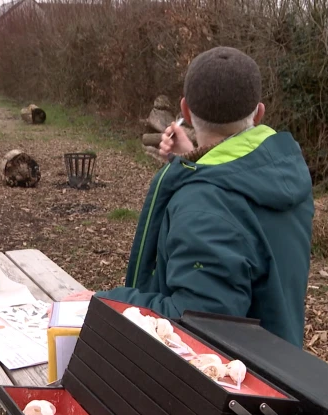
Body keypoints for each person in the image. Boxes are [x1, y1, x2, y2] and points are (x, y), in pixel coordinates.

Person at [63, 46, 314, 347]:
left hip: (230, 384)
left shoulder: (204, 208)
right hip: (279, 364)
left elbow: (196, 324)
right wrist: (192, 159)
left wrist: (106, 301)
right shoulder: (280, 170)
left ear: (184, 110)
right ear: (259, 113)